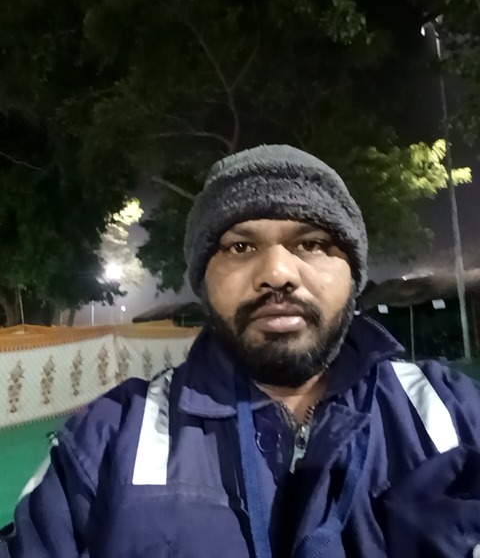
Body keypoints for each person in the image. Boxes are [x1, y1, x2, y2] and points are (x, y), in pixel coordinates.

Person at [2, 144, 480, 558]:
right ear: (203, 282)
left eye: (312, 243)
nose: (277, 273)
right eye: (239, 247)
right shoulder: (105, 441)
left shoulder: (456, 415)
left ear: (354, 275)